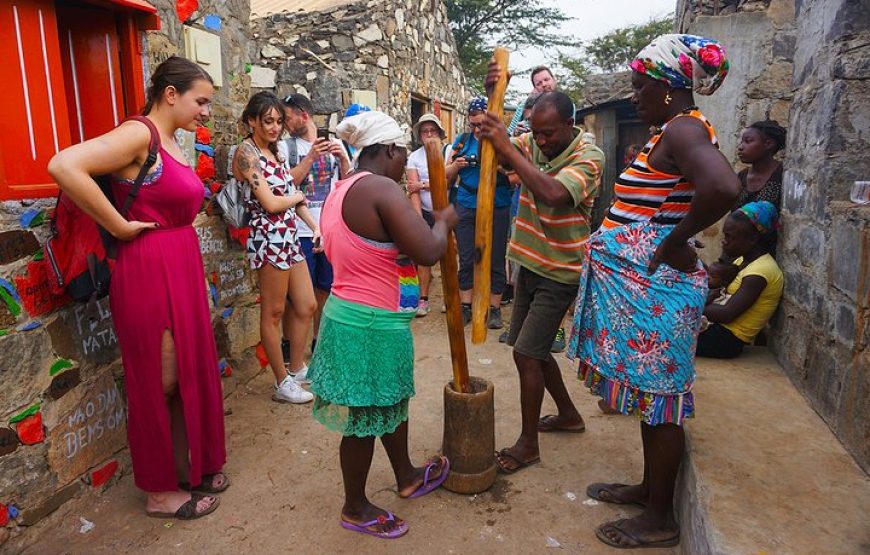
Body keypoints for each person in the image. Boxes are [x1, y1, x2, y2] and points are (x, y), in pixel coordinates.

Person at [565, 34, 736, 549]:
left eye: (640, 86)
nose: (634, 95)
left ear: (668, 87)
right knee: (650, 399)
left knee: (661, 403)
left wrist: (675, 239)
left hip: (657, 293)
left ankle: (660, 517)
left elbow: (724, 188)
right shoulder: (672, 130)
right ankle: (648, 489)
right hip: (644, 293)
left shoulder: (684, 129)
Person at [47, 56, 227, 520]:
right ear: (171, 94)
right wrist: (120, 225)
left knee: (189, 368)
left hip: (179, 260)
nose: (206, 112)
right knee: (159, 378)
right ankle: (160, 491)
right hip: (147, 264)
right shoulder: (139, 133)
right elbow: (64, 164)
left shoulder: (171, 139)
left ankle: (189, 467)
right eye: (201, 101)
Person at [307, 111, 457, 539]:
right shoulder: (380, 188)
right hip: (368, 324)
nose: (403, 164)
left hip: (360, 316)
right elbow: (428, 250)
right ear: (390, 150)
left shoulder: (344, 187)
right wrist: (444, 221)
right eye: (402, 155)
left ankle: (406, 473)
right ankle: (355, 506)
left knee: (390, 403)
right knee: (365, 417)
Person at [475, 86, 604, 473]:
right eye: (537, 133)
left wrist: (509, 148)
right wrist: (491, 103)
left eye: (549, 134)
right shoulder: (531, 141)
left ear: (570, 124)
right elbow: (495, 149)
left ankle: (528, 444)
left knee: (526, 353)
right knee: (534, 348)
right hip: (529, 263)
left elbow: (551, 193)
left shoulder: (589, 156)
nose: (541, 141)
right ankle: (567, 414)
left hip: (561, 270)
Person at [233, 91, 318, 404]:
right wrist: (296, 199)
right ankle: (282, 382)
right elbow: (270, 202)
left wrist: (316, 226)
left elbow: (292, 193)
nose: (274, 126)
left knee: (307, 304)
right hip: (267, 238)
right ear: (252, 121)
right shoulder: (247, 152)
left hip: (289, 236)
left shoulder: (275, 152)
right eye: (267, 120)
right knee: (274, 311)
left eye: (279, 121)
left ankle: (296, 369)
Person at [279, 93, 351, 360]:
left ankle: (318, 342)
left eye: (287, 118)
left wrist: (343, 159)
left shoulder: (334, 145)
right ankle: (289, 343)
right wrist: (310, 157)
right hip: (299, 232)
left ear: (303, 115)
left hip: (329, 231)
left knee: (326, 289)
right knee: (296, 297)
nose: (284, 124)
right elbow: (286, 184)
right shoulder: (286, 148)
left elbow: (348, 184)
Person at [445, 97, 514, 328]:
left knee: (495, 257)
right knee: (466, 257)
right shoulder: (462, 141)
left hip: (498, 205)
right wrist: (457, 165)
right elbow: (445, 175)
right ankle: (466, 305)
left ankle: (494, 308)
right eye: (472, 124)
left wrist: (498, 167)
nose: (476, 129)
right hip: (465, 203)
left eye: (481, 124)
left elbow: (515, 175)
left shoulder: (504, 142)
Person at [698, 202, 783, 358]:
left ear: (752, 239)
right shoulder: (741, 262)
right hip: (716, 329)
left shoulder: (761, 271)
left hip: (725, 340)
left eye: (730, 237)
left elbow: (727, 313)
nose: (724, 241)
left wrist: (685, 309)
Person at [405, 113, 450, 317]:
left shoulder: (448, 153)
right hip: (425, 209)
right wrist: (418, 218)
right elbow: (412, 189)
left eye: (433, 131)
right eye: (425, 131)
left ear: (440, 133)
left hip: (446, 209)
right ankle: (423, 299)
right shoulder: (414, 157)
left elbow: (446, 181)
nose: (429, 134)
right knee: (424, 254)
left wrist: (423, 184)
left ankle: (450, 296)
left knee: (450, 253)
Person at [735, 120, 785, 211]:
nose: (740, 147)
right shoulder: (740, 178)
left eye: (748, 141)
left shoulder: (783, 175)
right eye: (742, 142)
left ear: (768, 144)